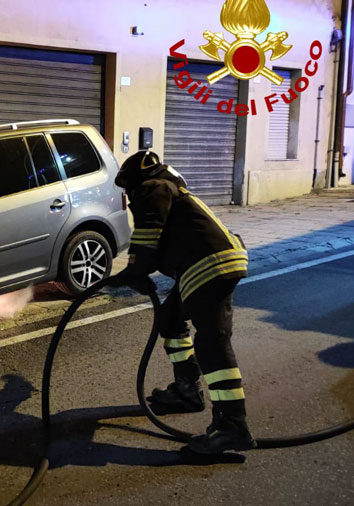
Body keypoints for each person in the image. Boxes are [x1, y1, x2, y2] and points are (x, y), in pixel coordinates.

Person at [108, 150, 255, 454]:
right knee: (171, 319)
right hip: (204, 265)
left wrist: (135, 270)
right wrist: (136, 272)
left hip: (208, 265)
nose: (129, 197)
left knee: (212, 343)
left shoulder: (154, 187)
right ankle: (187, 390)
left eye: (128, 190)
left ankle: (232, 427)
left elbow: (148, 232)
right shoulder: (172, 191)